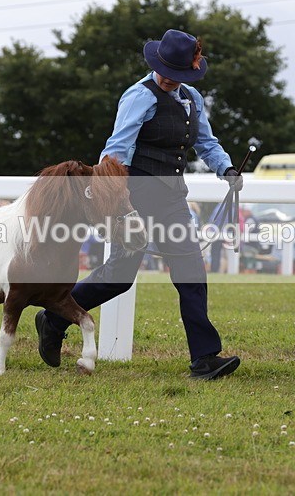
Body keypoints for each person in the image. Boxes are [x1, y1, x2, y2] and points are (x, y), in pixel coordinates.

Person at [35, 29, 243, 380]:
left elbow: (206, 143)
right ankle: (54, 317)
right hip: (135, 199)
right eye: (166, 71)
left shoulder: (192, 98)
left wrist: (226, 168)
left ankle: (204, 358)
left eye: (177, 74)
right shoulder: (139, 96)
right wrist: (114, 199)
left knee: (191, 271)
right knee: (119, 278)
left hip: (172, 199)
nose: (169, 79)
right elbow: (117, 149)